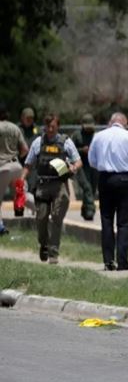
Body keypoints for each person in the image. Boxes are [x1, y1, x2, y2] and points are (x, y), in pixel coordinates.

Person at [21, 114, 82, 264]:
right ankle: (44, 245)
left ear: (58, 126)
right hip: (42, 185)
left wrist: (73, 167)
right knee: (41, 218)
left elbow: (78, 161)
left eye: (53, 126)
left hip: (59, 185)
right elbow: (29, 163)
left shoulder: (65, 142)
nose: (50, 129)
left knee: (56, 218)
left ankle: (54, 253)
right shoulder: (38, 142)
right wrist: (21, 179)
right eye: (47, 126)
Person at [88, 112, 128, 271]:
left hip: (105, 179)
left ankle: (108, 261)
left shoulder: (99, 136)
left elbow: (92, 161)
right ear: (124, 123)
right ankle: (122, 261)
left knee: (106, 220)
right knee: (123, 222)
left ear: (110, 122)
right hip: (124, 180)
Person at [0, 104, 29, 236]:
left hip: (3, 167)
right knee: (22, 195)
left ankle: (0, 228)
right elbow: (25, 150)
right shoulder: (15, 127)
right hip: (16, 166)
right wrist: (16, 157)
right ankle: (44, 213)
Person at [71, 113, 98, 220]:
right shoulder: (77, 135)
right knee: (87, 188)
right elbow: (71, 150)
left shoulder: (96, 136)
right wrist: (82, 150)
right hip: (81, 166)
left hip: (94, 166)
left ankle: (85, 210)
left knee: (92, 189)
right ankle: (91, 210)